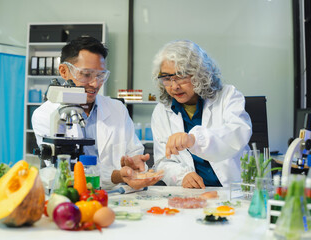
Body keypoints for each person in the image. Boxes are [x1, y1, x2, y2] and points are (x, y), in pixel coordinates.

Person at [32, 36, 160, 190]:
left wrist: (133, 163)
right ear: (64, 71)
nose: (95, 84)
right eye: (86, 74)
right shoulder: (45, 115)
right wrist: (117, 175)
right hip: (73, 197)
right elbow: (66, 171)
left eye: (100, 76)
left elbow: (134, 151)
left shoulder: (117, 109)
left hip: (119, 196)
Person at [151, 40, 252, 189]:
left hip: (233, 188)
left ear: (199, 74)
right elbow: (162, 162)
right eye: (167, 78)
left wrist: (194, 139)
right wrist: (182, 176)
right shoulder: (161, 111)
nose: (174, 86)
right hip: (192, 192)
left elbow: (238, 133)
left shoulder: (228, 96)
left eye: (181, 76)